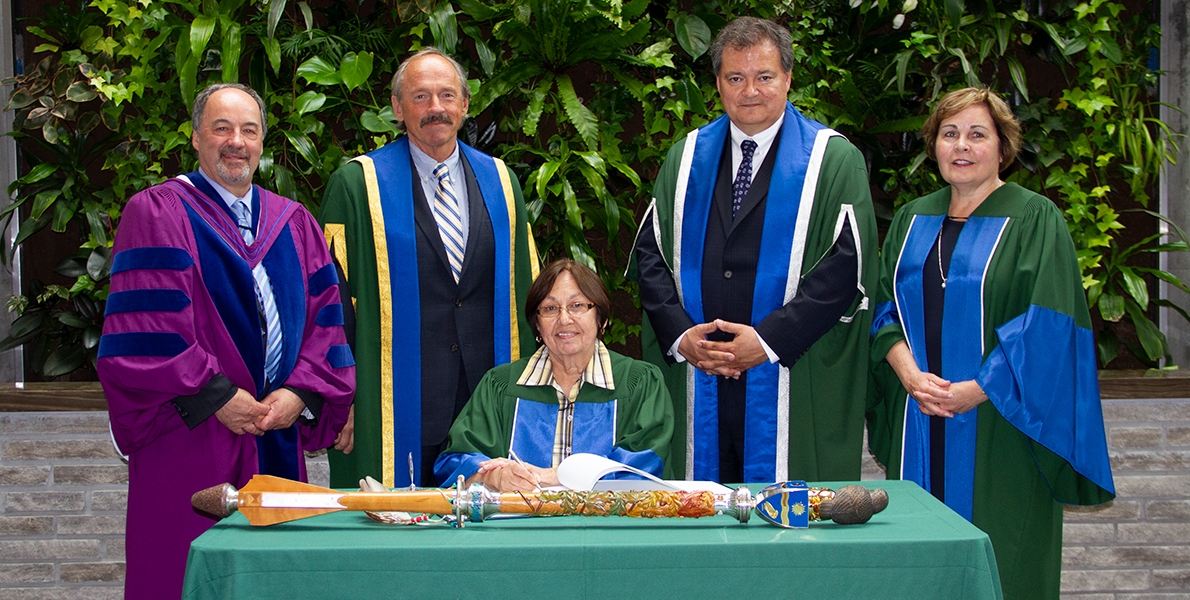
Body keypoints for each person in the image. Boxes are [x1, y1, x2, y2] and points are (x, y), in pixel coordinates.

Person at [97, 83, 355, 599]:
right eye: (221, 128)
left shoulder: (294, 222)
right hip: (190, 433)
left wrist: (300, 393)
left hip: (274, 432)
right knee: (185, 574)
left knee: (276, 579)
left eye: (248, 130)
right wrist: (217, 396)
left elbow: (326, 327)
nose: (235, 141)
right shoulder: (158, 212)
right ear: (195, 138)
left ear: (262, 143)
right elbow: (146, 332)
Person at [867, 87, 1115, 599]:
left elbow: (1048, 326)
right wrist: (910, 376)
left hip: (1001, 426)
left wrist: (976, 389)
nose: (962, 146)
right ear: (933, 145)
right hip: (919, 416)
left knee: (1003, 558)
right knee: (918, 562)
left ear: (1003, 147)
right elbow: (881, 309)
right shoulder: (912, 219)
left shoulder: (1034, 218)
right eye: (949, 134)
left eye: (978, 135)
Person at [629, 17, 877, 484]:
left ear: (788, 78)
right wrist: (683, 337)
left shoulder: (831, 160)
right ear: (718, 83)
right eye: (735, 78)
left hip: (788, 378)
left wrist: (766, 343)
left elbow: (845, 270)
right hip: (698, 374)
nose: (750, 91)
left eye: (764, 77)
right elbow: (652, 255)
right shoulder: (685, 158)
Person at [319, 47, 539, 489]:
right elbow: (329, 303)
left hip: (488, 403)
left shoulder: (501, 181)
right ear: (398, 109)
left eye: (446, 95)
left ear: (464, 104)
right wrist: (338, 397)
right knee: (394, 544)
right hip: (393, 403)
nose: (435, 108)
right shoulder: (358, 185)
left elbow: (528, 291)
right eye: (420, 97)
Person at [435, 259, 672, 490]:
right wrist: (494, 477)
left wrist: (557, 476)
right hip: (519, 528)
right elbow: (455, 463)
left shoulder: (639, 384)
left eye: (577, 305)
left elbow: (644, 467)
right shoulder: (501, 386)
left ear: (601, 318)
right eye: (550, 308)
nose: (564, 319)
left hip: (608, 528)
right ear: (537, 325)